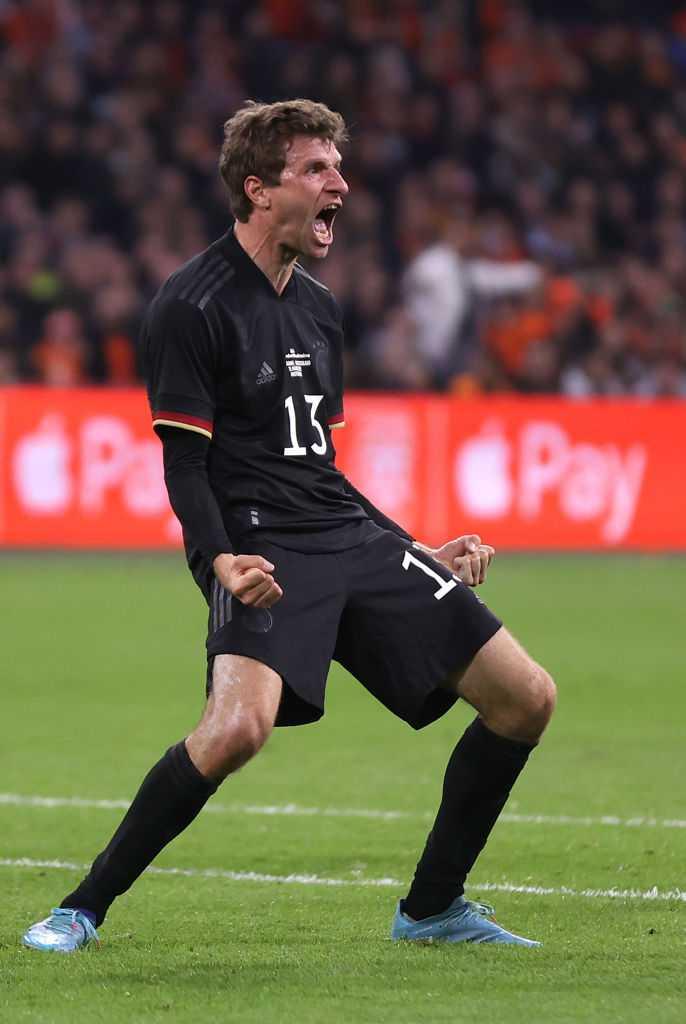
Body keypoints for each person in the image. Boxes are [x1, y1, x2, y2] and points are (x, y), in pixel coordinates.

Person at [23, 99, 556, 953]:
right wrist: (221, 560)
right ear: (258, 188)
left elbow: (323, 469)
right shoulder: (190, 304)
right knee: (236, 729)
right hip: (260, 545)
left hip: (345, 533)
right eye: (316, 168)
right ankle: (79, 908)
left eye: (338, 167)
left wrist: (415, 548)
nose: (339, 183)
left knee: (525, 698)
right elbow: (184, 464)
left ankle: (432, 909)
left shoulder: (317, 307)